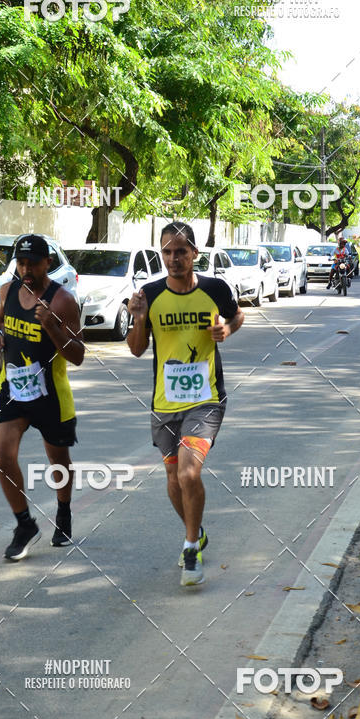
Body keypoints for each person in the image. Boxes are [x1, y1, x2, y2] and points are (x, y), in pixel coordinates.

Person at [126, 222, 244, 586]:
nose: (174, 259)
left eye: (181, 251)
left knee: (188, 473)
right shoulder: (148, 293)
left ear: (195, 252)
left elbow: (237, 314)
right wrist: (139, 316)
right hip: (164, 402)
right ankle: (197, 530)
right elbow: (135, 348)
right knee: (173, 479)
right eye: (167, 252)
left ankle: (191, 546)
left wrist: (228, 329)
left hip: (206, 399)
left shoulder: (215, 289)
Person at [0, 235, 85, 561]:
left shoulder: (63, 302)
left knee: (58, 460)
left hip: (50, 394)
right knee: (2, 454)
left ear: (47, 263)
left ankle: (64, 510)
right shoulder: (9, 290)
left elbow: (78, 355)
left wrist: (52, 327)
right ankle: (24, 524)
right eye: (22, 262)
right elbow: (0, 317)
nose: (26, 269)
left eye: (33, 263)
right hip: (13, 388)